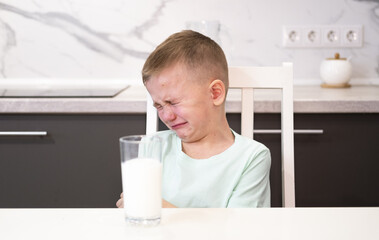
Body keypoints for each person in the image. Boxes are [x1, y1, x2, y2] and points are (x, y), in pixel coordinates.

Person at [116, 30, 271, 208]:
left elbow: (239, 230)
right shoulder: (152, 146)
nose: (166, 116)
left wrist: (160, 208)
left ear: (215, 93)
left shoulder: (251, 158)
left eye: (173, 102)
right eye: (158, 106)